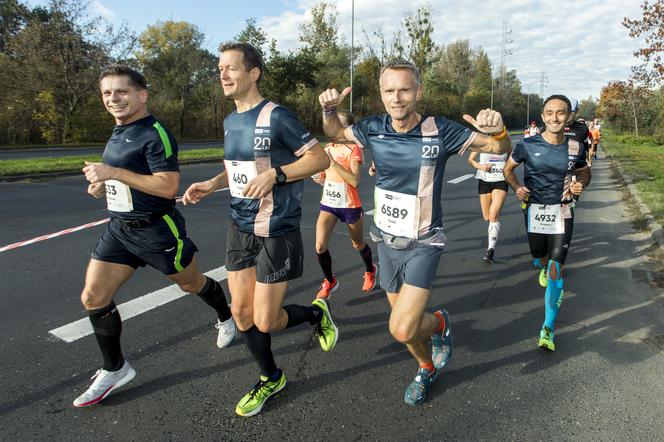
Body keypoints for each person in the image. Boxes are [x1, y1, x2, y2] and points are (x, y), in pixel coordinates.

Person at [319, 59, 512, 406]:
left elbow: (499, 149)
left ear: (418, 92)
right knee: (403, 325)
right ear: (381, 94)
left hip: (425, 242)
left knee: (402, 327)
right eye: (389, 90)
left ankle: (439, 323)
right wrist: (328, 110)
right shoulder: (372, 127)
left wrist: (499, 131)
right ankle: (426, 366)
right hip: (386, 243)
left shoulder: (440, 130)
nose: (397, 98)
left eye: (405, 89)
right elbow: (334, 132)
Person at [182, 42, 337, 417]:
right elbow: (240, 170)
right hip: (240, 227)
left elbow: (320, 157)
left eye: (231, 68)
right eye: (220, 68)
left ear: (254, 73)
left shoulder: (277, 117)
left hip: (276, 229)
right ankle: (271, 377)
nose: (222, 74)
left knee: (268, 320)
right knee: (242, 314)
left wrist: (277, 173)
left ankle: (315, 314)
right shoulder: (230, 121)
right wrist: (212, 183)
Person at [74, 65, 235, 408]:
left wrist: (114, 171)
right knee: (93, 297)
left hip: (156, 229)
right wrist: (104, 184)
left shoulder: (155, 132)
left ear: (141, 95)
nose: (113, 99)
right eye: (107, 93)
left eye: (121, 92)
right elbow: (129, 177)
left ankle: (226, 315)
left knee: (191, 284)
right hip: (119, 230)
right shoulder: (118, 131)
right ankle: (115, 368)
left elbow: (167, 187)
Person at [503, 94, 585, 352]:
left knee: (555, 270)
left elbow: (585, 173)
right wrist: (517, 188)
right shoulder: (526, 145)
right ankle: (541, 263)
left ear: (569, 116)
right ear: (543, 115)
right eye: (550, 112)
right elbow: (507, 170)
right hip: (534, 211)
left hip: (563, 212)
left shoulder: (576, 147)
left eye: (561, 113)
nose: (555, 118)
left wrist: (580, 186)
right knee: (539, 259)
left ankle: (547, 328)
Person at [312, 112, 377, 298]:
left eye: (337, 123)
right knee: (319, 245)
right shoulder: (327, 148)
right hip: (329, 204)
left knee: (357, 243)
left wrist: (333, 164)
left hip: (349, 205)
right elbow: (323, 175)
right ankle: (330, 281)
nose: (332, 126)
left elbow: (355, 181)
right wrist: (320, 177)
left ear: (346, 129)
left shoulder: (353, 149)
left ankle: (370, 269)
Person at [467, 142, 511, 262]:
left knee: (493, 215)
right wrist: (481, 167)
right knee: (487, 217)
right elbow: (470, 160)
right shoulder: (482, 143)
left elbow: (511, 162)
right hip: (484, 181)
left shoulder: (506, 143)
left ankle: (490, 249)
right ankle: (493, 234)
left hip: (501, 181)